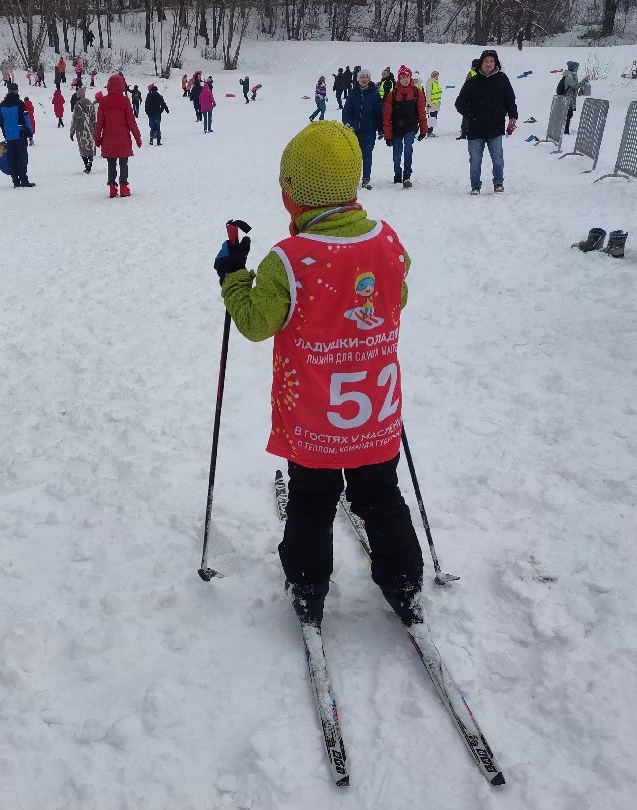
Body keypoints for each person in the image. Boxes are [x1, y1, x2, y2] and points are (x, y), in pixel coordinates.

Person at [212, 119, 424, 631]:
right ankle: (403, 579)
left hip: (314, 419)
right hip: (374, 414)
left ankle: (308, 585)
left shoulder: (289, 260)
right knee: (380, 494)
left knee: (311, 500)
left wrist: (233, 276)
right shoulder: (388, 242)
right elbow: (396, 296)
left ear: (294, 195)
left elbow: (256, 323)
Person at [454, 49, 517, 194]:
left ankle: (498, 183)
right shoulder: (472, 82)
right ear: (481, 63)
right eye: (486, 61)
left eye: (492, 61)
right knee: (475, 160)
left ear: (496, 63)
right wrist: (471, 115)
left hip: (495, 127)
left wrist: (512, 115)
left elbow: (510, 99)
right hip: (476, 129)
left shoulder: (502, 79)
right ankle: (475, 186)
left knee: (498, 158)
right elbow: (459, 103)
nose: (489, 64)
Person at [95, 74, 142, 198]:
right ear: (122, 85)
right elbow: (131, 122)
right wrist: (137, 137)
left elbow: (99, 123)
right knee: (123, 163)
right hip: (123, 139)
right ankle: (123, 187)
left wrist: (97, 138)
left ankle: (112, 187)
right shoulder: (125, 100)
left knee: (111, 163)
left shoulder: (103, 101)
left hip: (108, 139)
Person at [382, 65, 428, 188]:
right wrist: (388, 135)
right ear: (399, 78)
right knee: (397, 153)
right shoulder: (392, 94)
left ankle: (407, 175)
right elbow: (387, 116)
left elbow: (421, 113)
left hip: (410, 127)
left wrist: (423, 130)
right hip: (396, 128)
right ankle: (397, 173)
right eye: (403, 77)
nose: (406, 79)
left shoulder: (417, 93)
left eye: (407, 77)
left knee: (408, 149)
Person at [342, 68, 383, 190]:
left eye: (366, 77)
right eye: (362, 77)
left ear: (369, 79)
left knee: (367, 155)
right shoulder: (352, 93)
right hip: (353, 130)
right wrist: (347, 123)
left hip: (369, 131)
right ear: (358, 79)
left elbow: (379, 113)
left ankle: (366, 179)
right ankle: (351, 179)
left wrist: (381, 129)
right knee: (352, 156)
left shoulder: (374, 94)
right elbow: (346, 111)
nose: (364, 79)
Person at [0, 83, 34, 188]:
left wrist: (5, 133)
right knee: (21, 158)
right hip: (20, 134)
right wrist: (30, 134)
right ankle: (24, 180)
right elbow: (26, 119)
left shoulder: (2, 104)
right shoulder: (20, 103)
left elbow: (1, 121)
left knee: (12, 158)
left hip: (9, 136)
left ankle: (15, 181)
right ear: (16, 91)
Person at [70, 87, 96, 174]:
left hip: (81, 129)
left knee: (82, 147)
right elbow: (94, 117)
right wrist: (95, 128)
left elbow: (75, 120)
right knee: (90, 146)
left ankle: (86, 164)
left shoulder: (77, 105)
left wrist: (72, 132)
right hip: (90, 128)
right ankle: (90, 162)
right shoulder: (90, 103)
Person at [561, 61, 591, 135]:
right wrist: (584, 80)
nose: (577, 69)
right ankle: (565, 131)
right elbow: (575, 87)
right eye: (576, 67)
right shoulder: (569, 77)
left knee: (569, 114)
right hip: (568, 99)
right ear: (573, 68)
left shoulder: (572, 75)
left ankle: (565, 129)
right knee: (568, 114)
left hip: (571, 98)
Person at [456, 59, 479, 140]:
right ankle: (465, 133)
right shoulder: (475, 73)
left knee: (467, 116)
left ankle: (466, 132)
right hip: (472, 99)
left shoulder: (472, 73)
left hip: (471, 99)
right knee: (468, 116)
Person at [426, 71, 442, 136]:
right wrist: (429, 103)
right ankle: (429, 132)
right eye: (437, 76)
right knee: (431, 118)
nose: (437, 77)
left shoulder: (436, 82)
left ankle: (430, 131)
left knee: (434, 118)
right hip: (431, 104)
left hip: (436, 104)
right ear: (434, 76)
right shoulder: (430, 82)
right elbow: (428, 93)